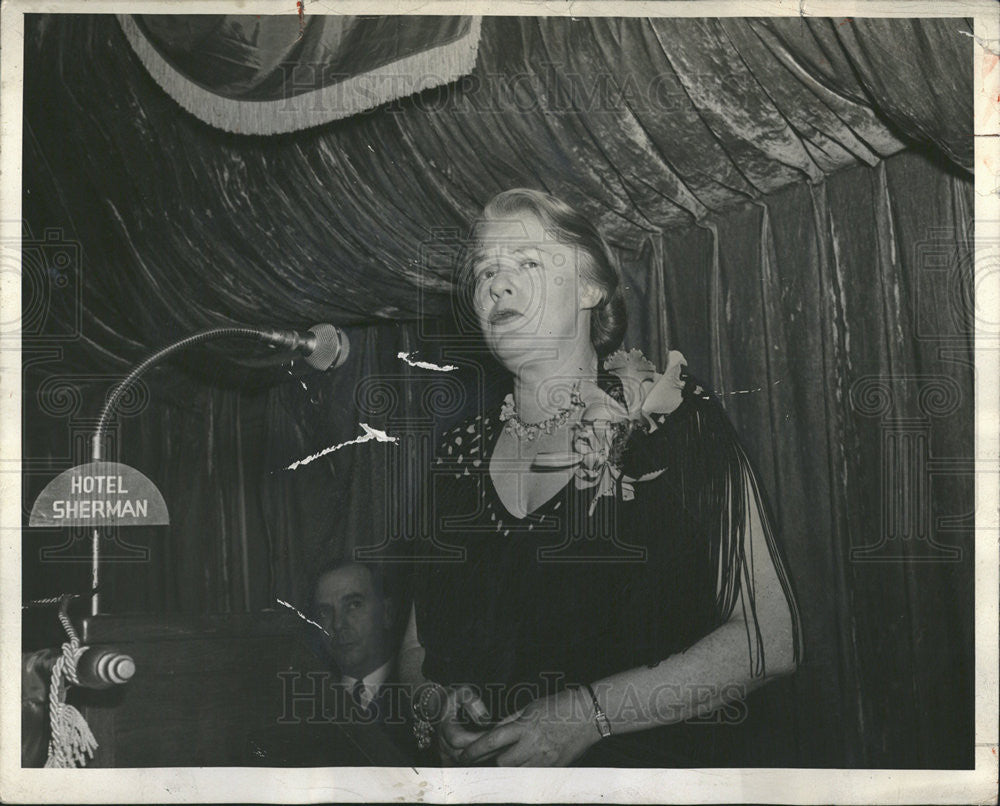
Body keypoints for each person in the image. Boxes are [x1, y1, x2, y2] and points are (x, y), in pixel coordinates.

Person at [400, 188, 803, 767]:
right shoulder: (456, 455)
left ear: (591, 288)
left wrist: (585, 717)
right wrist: (432, 704)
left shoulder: (675, 422)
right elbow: (415, 647)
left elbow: (771, 639)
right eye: (486, 269)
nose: (497, 283)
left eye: (529, 262)